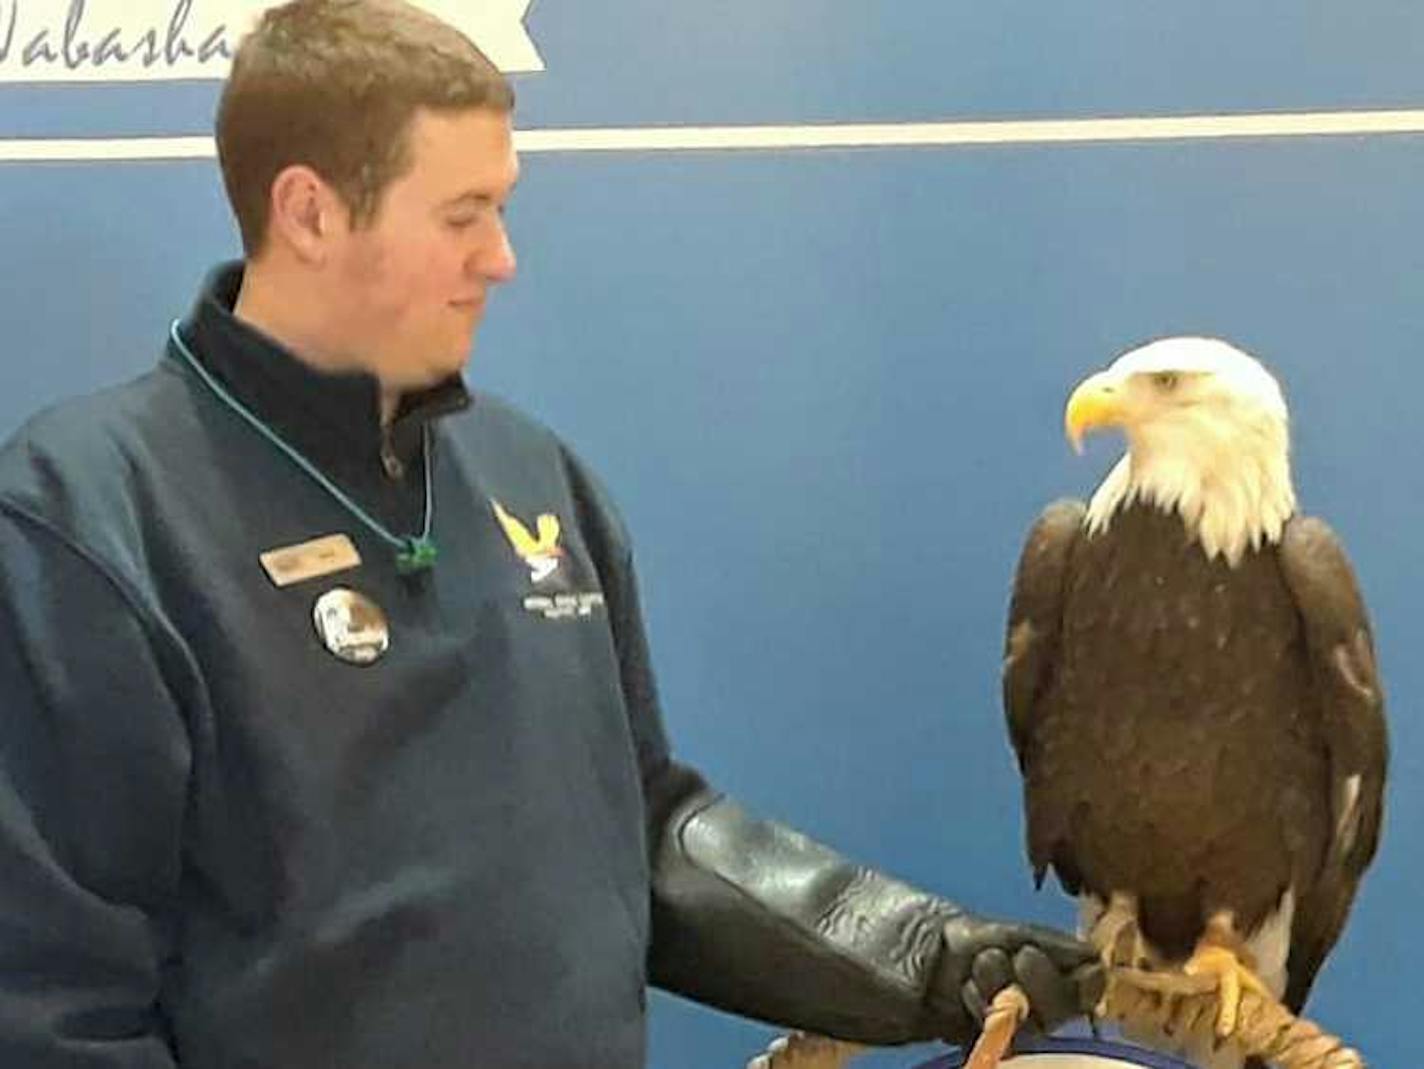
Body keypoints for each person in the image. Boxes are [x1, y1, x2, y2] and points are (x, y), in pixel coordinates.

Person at [0, 2, 1103, 1066]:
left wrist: (923, 954)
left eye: (501, 207)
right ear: (310, 212)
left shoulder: (535, 480)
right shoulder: (86, 520)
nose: (501, 257)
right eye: (461, 214)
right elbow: (48, 1007)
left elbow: (641, 830)